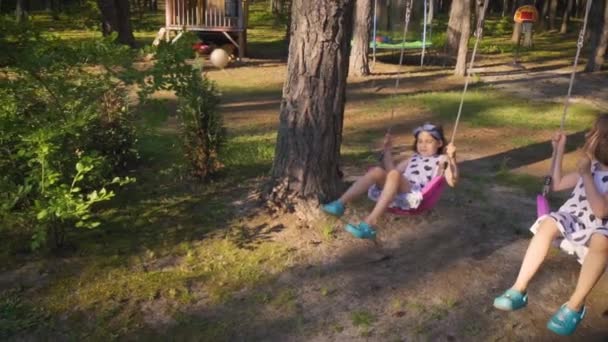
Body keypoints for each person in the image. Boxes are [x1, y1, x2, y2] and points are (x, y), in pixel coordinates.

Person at [493, 114, 608, 336]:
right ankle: (518, 289)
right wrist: (558, 151)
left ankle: (574, 305)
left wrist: (585, 175)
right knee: (548, 223)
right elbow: (557, 183)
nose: (586, 136)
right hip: (576, 222)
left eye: (593, 134)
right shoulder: (592, 168)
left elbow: (601, 210)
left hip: (601, 229)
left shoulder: (589, 171)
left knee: (601, 239)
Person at [322, 123, 459, 239]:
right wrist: (387, 150)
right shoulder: (413, 158)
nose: (423, 145)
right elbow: (392, 171)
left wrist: (452, 158)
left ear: (440, 143)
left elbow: (453, 181)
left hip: (415, 192)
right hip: (396, 187)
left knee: (394, 174)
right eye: (420, 141)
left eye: (429, 141)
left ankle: (370, 223)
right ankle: (339, 204)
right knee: (376, 171)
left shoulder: (442, 160)